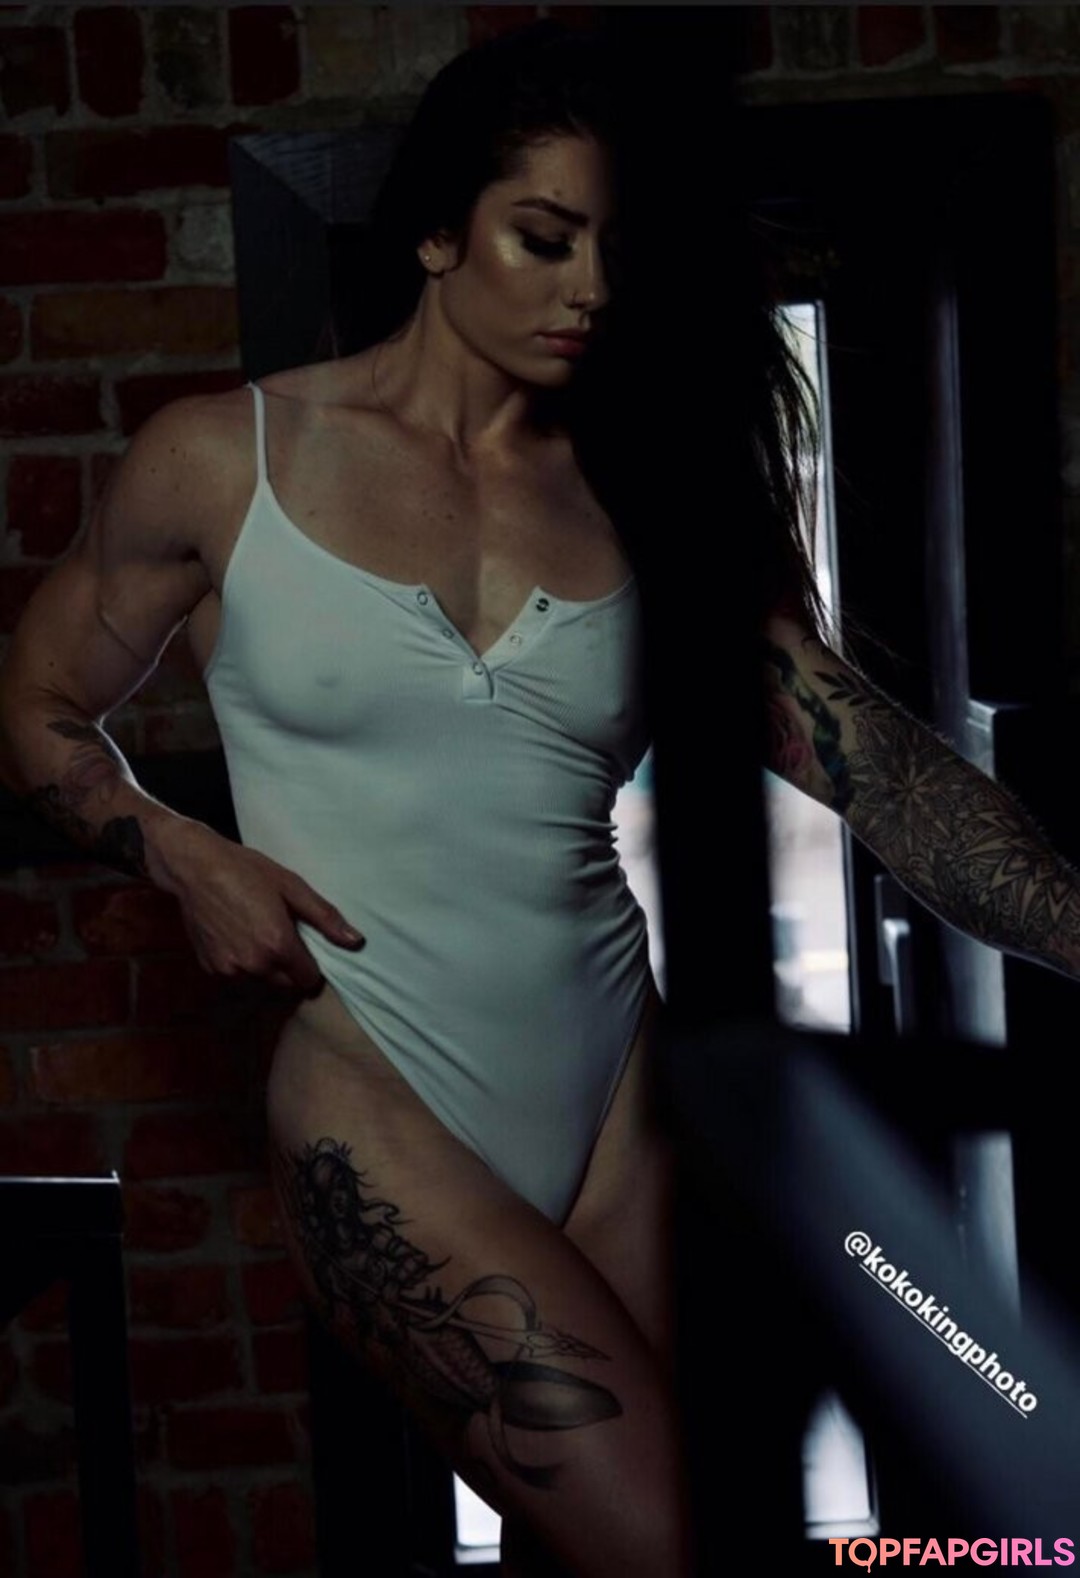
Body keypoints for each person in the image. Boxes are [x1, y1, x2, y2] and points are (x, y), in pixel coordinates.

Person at [3, 19, 1080, 1577]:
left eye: (615, 251)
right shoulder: (224, 463)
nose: (589, 288)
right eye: (544, 238)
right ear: (439, 233)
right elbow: (34, 711)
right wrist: (177, 851)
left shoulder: (649, 502)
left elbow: (883, 772)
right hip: (373, 1101)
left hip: (617, 1094)